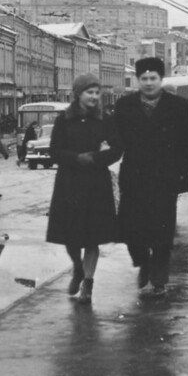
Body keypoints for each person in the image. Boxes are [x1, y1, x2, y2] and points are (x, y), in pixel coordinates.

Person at [114, 57, 188, 297]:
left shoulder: (178, 106)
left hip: (164, 178)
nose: (149, 83)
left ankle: (159, 278)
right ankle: (143, 262)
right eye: (144, 79)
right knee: (133, 230)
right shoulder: (125, 106)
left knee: (162, 230)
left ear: (161, 80)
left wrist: (179, 170)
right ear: (138, 81)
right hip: (134, 177)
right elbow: (115, 139)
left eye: (153, 78)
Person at [46, 73, 123, 304]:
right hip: (69, 183)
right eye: (90, 92)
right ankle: (77, 268)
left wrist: (97, 159)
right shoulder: (64, 120)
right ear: (78, 94)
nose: (94, 96)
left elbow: (118, 149)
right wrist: (77, 158)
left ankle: (87, 284)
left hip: (96, 184)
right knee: (71, 237)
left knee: (92, 238)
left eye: (97, 93)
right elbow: (54, 151)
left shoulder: (106, 120)